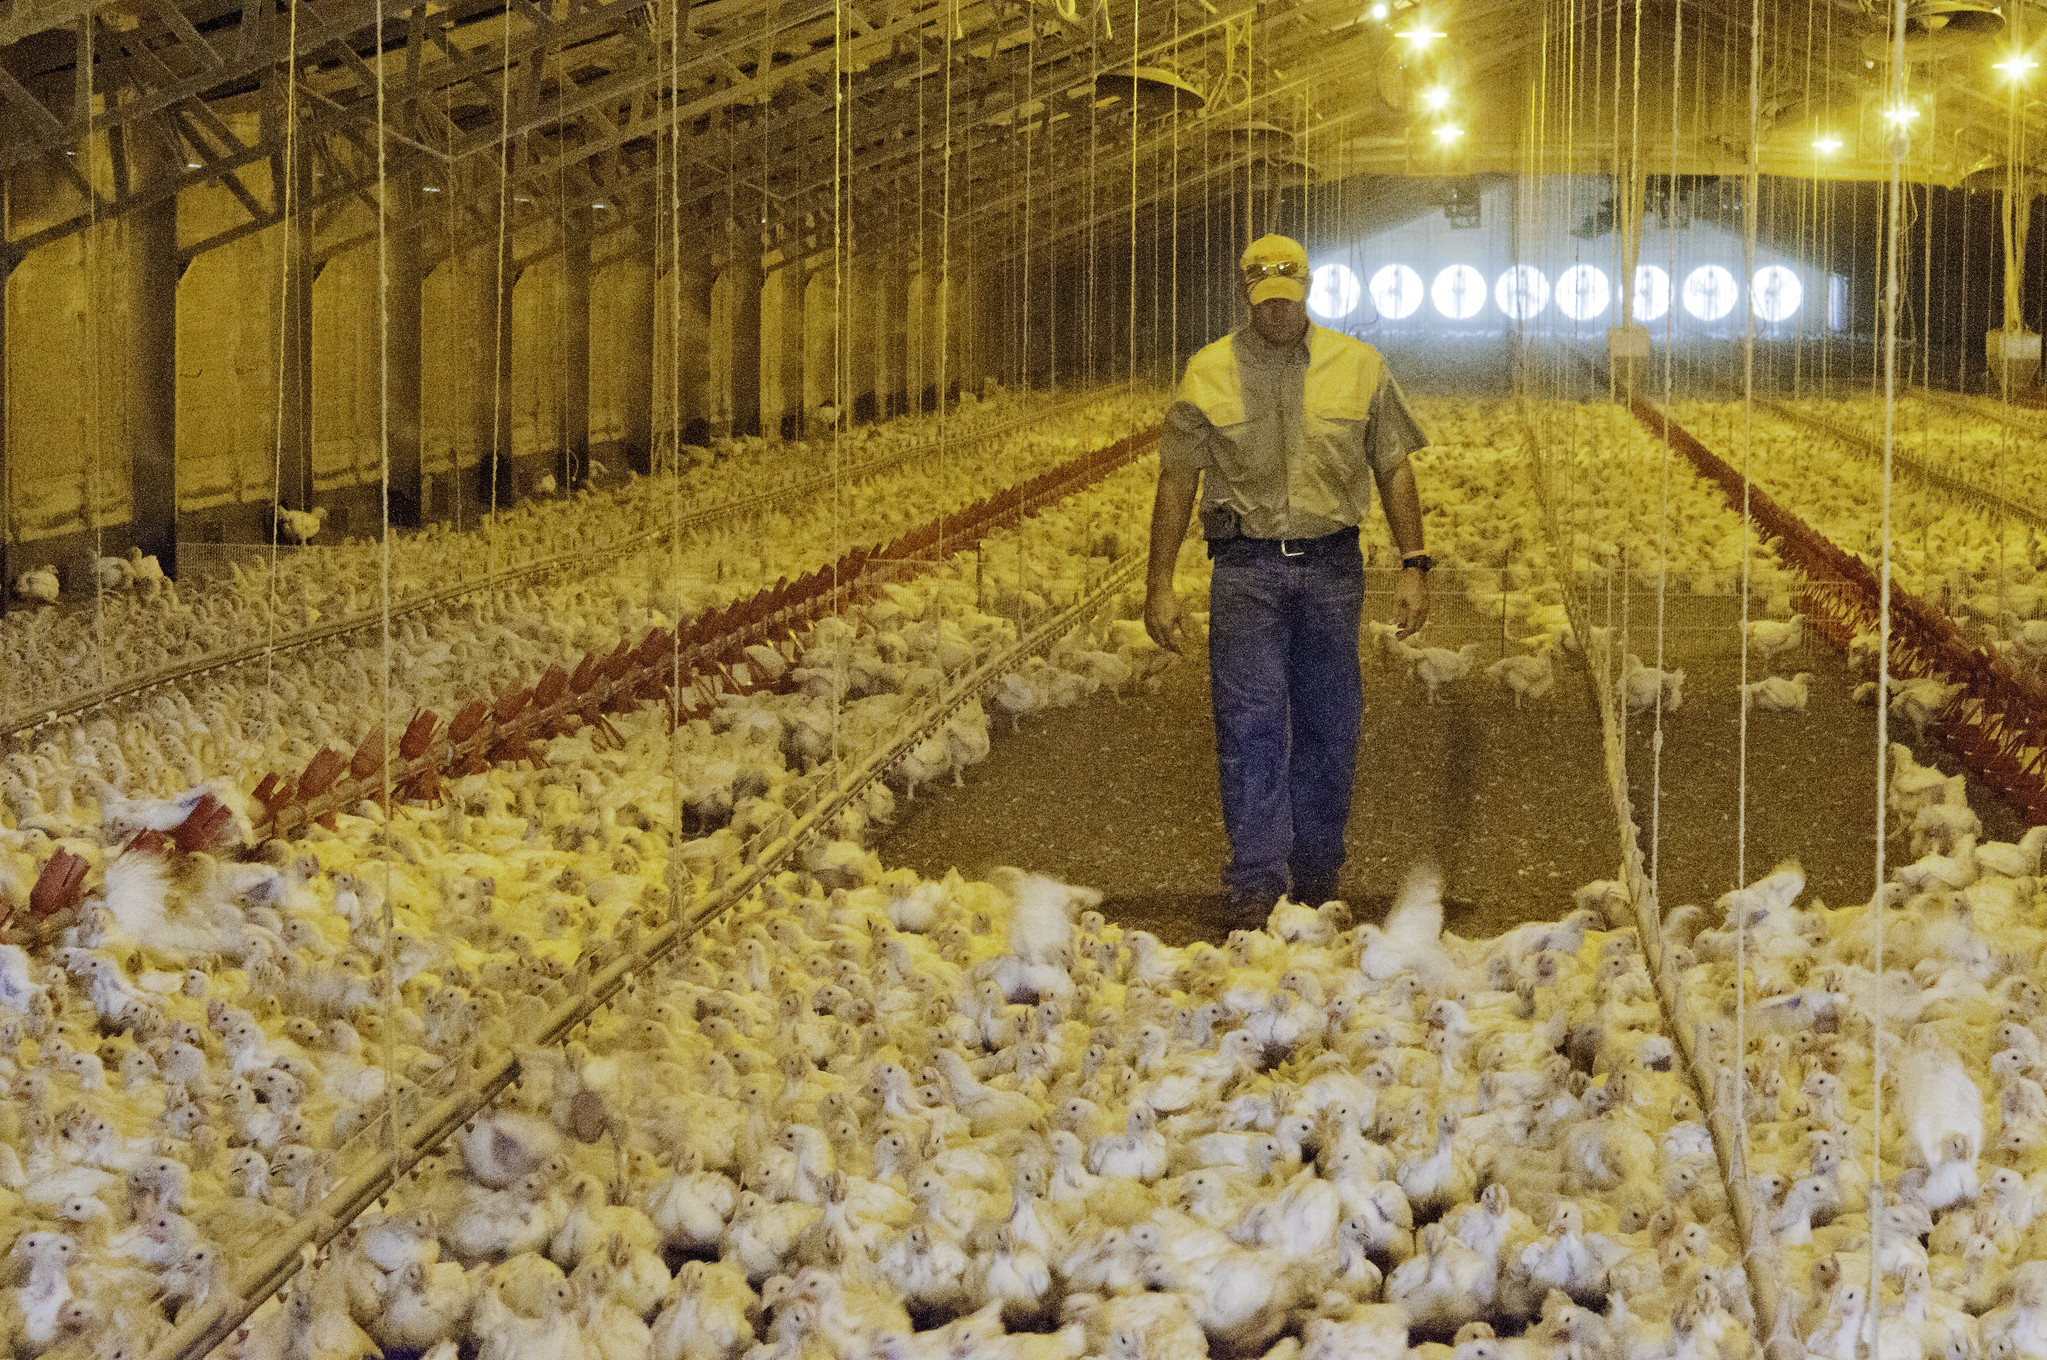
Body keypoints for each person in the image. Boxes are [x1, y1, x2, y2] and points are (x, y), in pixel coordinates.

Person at [1144, 233, 1431, 913]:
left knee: (1330, 726)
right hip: (1245, 570)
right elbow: (1176, 480)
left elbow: (1393, 465)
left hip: (1332, 568)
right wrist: (1159, 583)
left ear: (1307, 290)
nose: (1277, 311)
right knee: (1249, 726)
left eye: (1288, 297)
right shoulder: (1206, 371)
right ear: (1245, 294)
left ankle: (1316, 877)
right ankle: (1254, 884)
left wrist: (1413, 563)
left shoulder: (1358, 365)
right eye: (1264, 299)